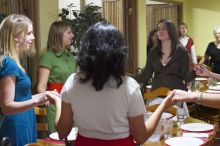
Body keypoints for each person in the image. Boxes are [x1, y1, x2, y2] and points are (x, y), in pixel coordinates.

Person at [46, 22, 174, 146]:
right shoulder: (129, 86)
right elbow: (140, 137)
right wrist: (162, 106)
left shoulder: (73, 82)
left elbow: (62, 132)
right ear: (119, 53)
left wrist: (58, 101)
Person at [0, 14, 49, 146]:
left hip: (23, 121)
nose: (33, 37)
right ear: (16, 36)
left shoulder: (13, 62)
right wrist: (36, 100)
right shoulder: (9, 63)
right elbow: (6, 106)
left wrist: (42, 96)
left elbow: (20, 97)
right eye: (29, 33)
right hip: (16, 127)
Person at [132, 19, 196, 115]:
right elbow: (145, 75)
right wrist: (126, 77)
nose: (160, 31)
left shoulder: (182, 52)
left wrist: (195, 71)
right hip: (155, 98)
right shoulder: (153, 52)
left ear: (171, 31)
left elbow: (186, 76)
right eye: (158, 29)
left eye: (164, 28)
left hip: (175, 98)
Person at [37, 21, 77, 133]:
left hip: (73, 105)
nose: (72, 35)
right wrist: (49, 100)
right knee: (57, 141)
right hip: (55, 106)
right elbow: (41, 86)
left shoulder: (71, 57)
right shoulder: (48, 57)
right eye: (69, 32)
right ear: (59, 34)